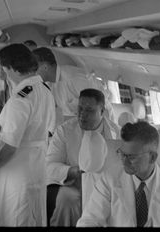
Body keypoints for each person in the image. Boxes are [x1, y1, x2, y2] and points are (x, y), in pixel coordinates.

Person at [0, 43, 56, 226]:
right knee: (32, 215)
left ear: (11, 68)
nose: (1, 73)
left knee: (14, 217)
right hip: (36, 166)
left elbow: (10, 147)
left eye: (1, 68)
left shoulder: (20, 99)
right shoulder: (44, 90)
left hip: (17, 171)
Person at [76, 121, 160, 227]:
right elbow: (89, 220)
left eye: (131, 157)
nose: (124, 161)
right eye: (122, 153)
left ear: (152, 157)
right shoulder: (109, 179)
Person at [46, 88, 120, 226]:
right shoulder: (64, 131)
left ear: (102, 112)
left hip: (105, 186)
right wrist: (73, 171)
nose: (82, 115)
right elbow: (49, 165)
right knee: (69, 199)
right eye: (80, 108)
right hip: (72, 184)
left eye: (89, 110)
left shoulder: (117, 133)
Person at [32, 47, 115, 125]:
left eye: (34, 69)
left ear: (45, 67)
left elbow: (100, 104)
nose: (33, 74)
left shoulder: (74, 78)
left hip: (102, 122)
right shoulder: (49, 84)